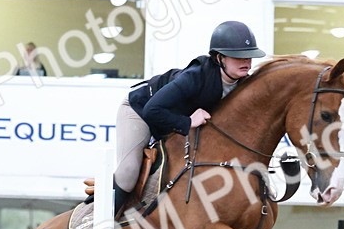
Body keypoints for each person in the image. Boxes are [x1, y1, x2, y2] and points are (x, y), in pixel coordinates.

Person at [100, 20, 265, 215]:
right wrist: (188, 122)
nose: (246, 61)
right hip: (140, 109)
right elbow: (152, 110)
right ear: (219, 58)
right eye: (238, 57)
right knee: (129, 171)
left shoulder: (243, 84)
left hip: (168, 118)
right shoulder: (196, 76)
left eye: (249, 56)